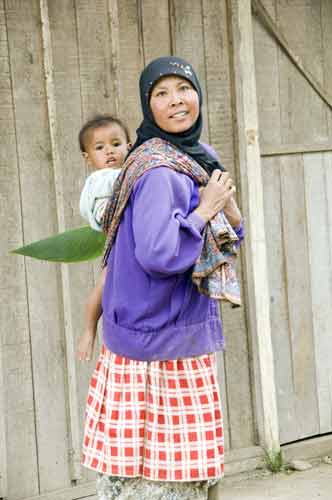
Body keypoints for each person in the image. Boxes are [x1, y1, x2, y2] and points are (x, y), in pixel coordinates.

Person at [81, 57, 244, 500]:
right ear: (147, 105)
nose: (176, 101)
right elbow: (157, 254)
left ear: (197, 94)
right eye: (161, 93)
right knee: (156, 482)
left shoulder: (198, 155)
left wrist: (227, 212)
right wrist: (206, 209)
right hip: (154, 340)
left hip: (173, 332)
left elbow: (227, 234)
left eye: (183, 88)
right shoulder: (156, 169)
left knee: (176, 476)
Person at [76, 115, 132, 362]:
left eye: (116, 144)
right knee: (103, 283)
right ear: (88, 157)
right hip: (120, 241)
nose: (109, 151)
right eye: (100, 148)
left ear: (129, 147)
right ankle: (88, 331)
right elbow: (99, 213)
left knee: (105, 282)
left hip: (127, 241)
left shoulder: (128, 172)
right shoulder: (103, 179)